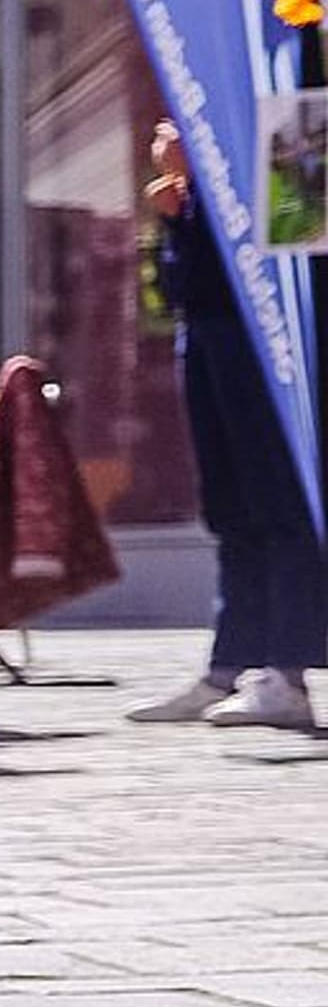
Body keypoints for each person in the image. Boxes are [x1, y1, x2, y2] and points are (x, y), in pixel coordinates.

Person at [137, 123, 324, 729]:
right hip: (212, 327)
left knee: (280, 499)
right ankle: (233, 662)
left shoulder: (291, 106)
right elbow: (178, 287)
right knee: (231, 505)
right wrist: (175, 213)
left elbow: (301, 229)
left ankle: (288, 670)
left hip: (271, 335)